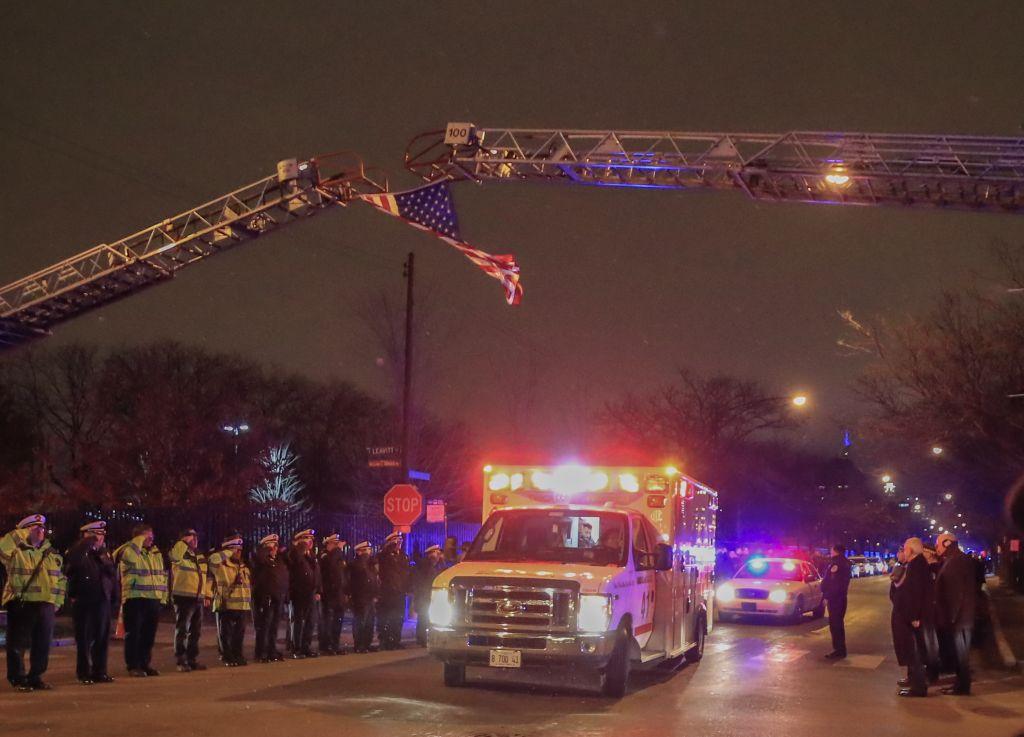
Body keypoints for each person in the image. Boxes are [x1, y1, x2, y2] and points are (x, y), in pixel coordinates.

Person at [1, 514, 66, 691]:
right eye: (35, 528)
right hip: (22, 603)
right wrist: (20, 533)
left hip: (46, 605)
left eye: (42, 528)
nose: (40, 530)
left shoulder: (51, 554)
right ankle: (18, 679)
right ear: (25, 531)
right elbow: (2, 547)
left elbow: (61, 579)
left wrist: (57, 601)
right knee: (17, 644)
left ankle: (35, 676)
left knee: (42, 644)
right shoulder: (16, 552)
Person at [64, 520, 116, 685]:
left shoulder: (103, 553)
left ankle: (100, 671)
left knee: (102, 637)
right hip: (84, 600)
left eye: (101, 535)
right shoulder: (78, 552)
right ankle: (84, 672)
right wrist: (86, 543)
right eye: (96, 535)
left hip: (102, 600)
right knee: (84, 639)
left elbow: (112, 577)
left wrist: (114, 598)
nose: (99, 538)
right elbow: (74, 561)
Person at [119, 523, 167, 677]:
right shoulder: (128, 550)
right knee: (134, 634)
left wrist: (162, 597)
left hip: (153, 598)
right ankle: (133, 665)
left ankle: (145, 664)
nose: (151, 539)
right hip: (135, 598)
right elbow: (131, 559)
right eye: (147, 536)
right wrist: (139, 540)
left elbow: (161, 575)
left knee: (148, 634)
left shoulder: (155, 553)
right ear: (138, 537)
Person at [935, 532, 975, 695]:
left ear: (946, 543)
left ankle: (962, 686)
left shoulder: (956, 561)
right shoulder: (954, 560)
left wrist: (952, 618)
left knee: (962, 655)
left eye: (937, 544)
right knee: (960, 654)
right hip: (960, 617)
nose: (936, 548)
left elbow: (956, 593)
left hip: (959, 619)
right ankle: (960, 684)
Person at [891, 538, 932, 697]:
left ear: (911, 550)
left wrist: (914, 616)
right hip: (911, 616)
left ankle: (918, 687)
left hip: (912, 618)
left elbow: (915, 593)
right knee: (913, 653)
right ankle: (915, 682)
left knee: (914, 654)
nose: (904, 551)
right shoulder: (916, 564)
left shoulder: (917, 565)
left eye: (906, 549)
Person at [168, 528, 211, 672]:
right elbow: (174, 557)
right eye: (191, 537)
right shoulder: (179, 552)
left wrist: (206, 594)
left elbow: (205, 576)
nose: (195, 540)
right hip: (183, 597)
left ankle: (192, 659)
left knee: (195, 631)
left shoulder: (199, 555)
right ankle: (181, 660)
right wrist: (183, 542)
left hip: (198, 597)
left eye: (195, 537)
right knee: (183, 629)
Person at [208, 534, 252, 667]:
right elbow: (212, 559)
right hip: (226, 603)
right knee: (225, 634)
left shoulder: (243, 566)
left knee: (239, 634)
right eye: (236, 549)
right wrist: (228, 551)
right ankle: (227, 656)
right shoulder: (221, 565)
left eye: (240, 549)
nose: (239, 552)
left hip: (242, 605)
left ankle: (237, 655)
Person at [252, 533, 288, 663]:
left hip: (276, 598)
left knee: (273, 626)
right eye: (272, 547)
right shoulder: (259, 560)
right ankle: (261, 652)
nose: (275, 549)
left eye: (276, 547)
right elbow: (259, 558)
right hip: (264, 598)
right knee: (263, 626)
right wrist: (265, 550)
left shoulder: (276, 561)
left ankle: (271, 650)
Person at [286, 528, 321, 658]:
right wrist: (300, 549)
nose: (309, 541)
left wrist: (318, 590)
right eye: (306, 539)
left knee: (310, 621)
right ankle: (297, 648)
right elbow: (295, 566)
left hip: (310, 593)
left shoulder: (311, 555)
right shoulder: (294, 553)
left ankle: (306, 647)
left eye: (311, 539)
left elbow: (316, 574)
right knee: (298, 621)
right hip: (298, 593)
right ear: (299, 541)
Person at [377, 532, 410, 650]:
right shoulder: (384, 555)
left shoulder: (403, 556)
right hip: (387, 592)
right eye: (396, 542)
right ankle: (385, 640)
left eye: (400, 541)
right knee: (386, 617)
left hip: (399, 592)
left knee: (398, 617)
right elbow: (382, 567)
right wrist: (389, 548)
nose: (399, 544)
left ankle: (395, 640)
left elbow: (406, 573)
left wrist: (407, 588)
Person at [319, 534, 349, 656]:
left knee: (338, 621)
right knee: (328, 621)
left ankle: (335, 645)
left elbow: (343, 575)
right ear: (328, 544)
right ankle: (327, 646)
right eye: (334, 544)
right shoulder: (325, 556)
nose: (337, 546)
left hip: (339, 594)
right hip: (329, 594)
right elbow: (330, 567)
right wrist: (337, 550)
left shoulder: (338, 557)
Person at [821, 543, 852, 659]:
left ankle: (839, 650)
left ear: (835, 551)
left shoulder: (837, 563)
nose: (830, 551)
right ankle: (840, 649)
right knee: (837, 624)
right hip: (841, 598)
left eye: (831, 549)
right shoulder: (845, 562)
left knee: (835, 625)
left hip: (835, 599)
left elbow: (834, 583)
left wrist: (827, 596)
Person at [349, 541, 380, 653]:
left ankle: (367, 643)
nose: (369, 552)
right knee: (360, 621)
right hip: (361, 597)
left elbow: (375, 580)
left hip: (370, 597)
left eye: (369, 550)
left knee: (369, 622)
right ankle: (359, 644)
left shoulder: (370, 565)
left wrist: (376, 594)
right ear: (359, 552)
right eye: (366, 550)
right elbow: (358, 576)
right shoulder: (356, 564)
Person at [412, 544, 444, 646]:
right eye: (436, 552)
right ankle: (421, 639)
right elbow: (422, 581)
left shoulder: (438, 564)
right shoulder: (424, 565)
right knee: (423, 618)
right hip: (424, 595)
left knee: (430, 618)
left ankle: (428, 638)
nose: (438, 555)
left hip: (433, 595)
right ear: (430, 554)